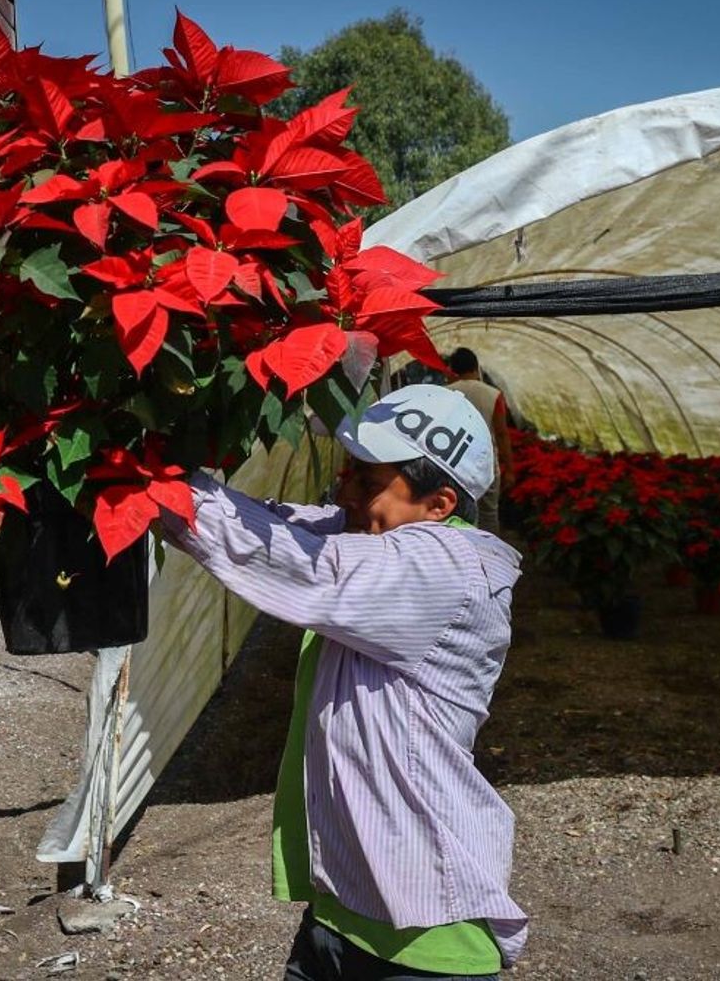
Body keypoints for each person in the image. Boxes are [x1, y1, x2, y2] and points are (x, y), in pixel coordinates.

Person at [161, 384, 527, 980]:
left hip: (427, 943)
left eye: (368, 481)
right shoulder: (372, 535)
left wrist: (158, 485)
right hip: (340, 915)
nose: (344, 492)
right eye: (350, 471)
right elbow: (286, 526)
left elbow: (306, 566)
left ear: (439, 504)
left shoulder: (444, 570)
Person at [443, 348, 515, 535]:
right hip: (487, 461)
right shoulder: (493, 394)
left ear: (452, 369)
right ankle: (493, 557)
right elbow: (501, 434)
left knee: (462, 516)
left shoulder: (445, 393)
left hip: (455, 461)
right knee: (489, 514)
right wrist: (509, 469)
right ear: (476, 367)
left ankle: (465, 557)